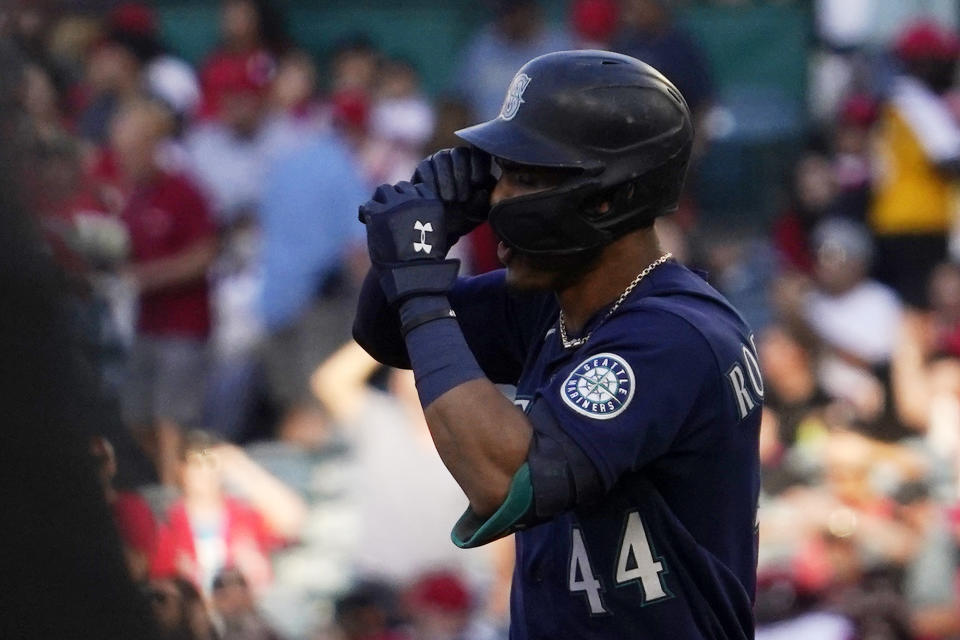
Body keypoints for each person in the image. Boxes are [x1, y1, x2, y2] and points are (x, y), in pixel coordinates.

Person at [354, 50, 761, 638]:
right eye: (500, 172)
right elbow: (387, 333)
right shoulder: (559, 300)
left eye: (526, 175)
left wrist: (420, 286)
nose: (497, 199)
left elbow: (503, 480)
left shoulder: (675, 336)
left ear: (606, 196)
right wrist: (433, 227)